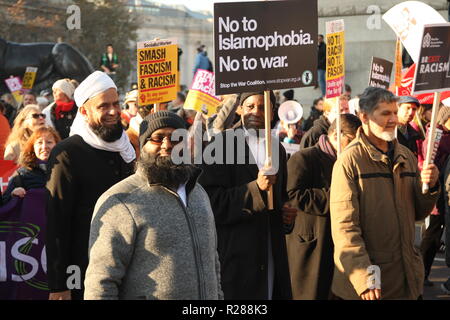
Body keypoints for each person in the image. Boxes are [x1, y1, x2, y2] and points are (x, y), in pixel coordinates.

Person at [84, 111, 223, 300]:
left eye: (176, 138)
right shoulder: (122, 200)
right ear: (143, 146)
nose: (167, 145)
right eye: (157, 139)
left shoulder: (199, 193)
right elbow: (101, 282)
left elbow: (212, 262)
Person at [330, 87, 439, 300]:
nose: (393, 120)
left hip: (407, 278)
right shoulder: (349, 161)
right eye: (385, 113)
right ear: (364, 117)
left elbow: (418, 213)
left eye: (394, 112)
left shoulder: (405, 156)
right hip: (370, 284)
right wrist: (364, 277)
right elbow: (345, 228)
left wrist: (429, 186)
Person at [45, 71, 135, 300]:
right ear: (84, 111)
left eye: (116, 103)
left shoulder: (127, 148)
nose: (114, 111)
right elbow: (58, 222)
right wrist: (59, 284)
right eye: (104, 106)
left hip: (130, 267)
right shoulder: (67, 152)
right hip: (84, 267)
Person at [199, 91, 296, 300]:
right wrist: (256, 189)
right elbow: (210, 204)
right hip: (237, 259)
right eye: (250, 106)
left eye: (263, 107)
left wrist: (285, 215)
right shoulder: (221, 145)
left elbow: (281, 197)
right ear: (240, 109)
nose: (256, 112)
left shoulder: (277, 149)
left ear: (272, 113)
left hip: (270, 254)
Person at [286, 114, 361, 300]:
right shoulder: (303, 158)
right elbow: (293, 194)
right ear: (336, 135)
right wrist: (337, 197)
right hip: (312, 243)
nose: (355, 146)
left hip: (338, 242)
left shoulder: (350, 162)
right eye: (351, 140)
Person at [420, 105, 450, 287]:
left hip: (441, 192)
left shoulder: (443, 134)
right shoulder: (437, 136)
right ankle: (421, 273)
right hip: (436, 193)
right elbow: (430, 160)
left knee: (435, 235)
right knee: (432, 235)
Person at [2, 126, 60, 204]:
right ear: (33, 147)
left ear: (57, 145)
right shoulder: (22, 174)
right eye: (39, 142)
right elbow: (4, 200)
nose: (44, 146)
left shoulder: (66, 170)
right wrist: (13, 193)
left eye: (49, 142)